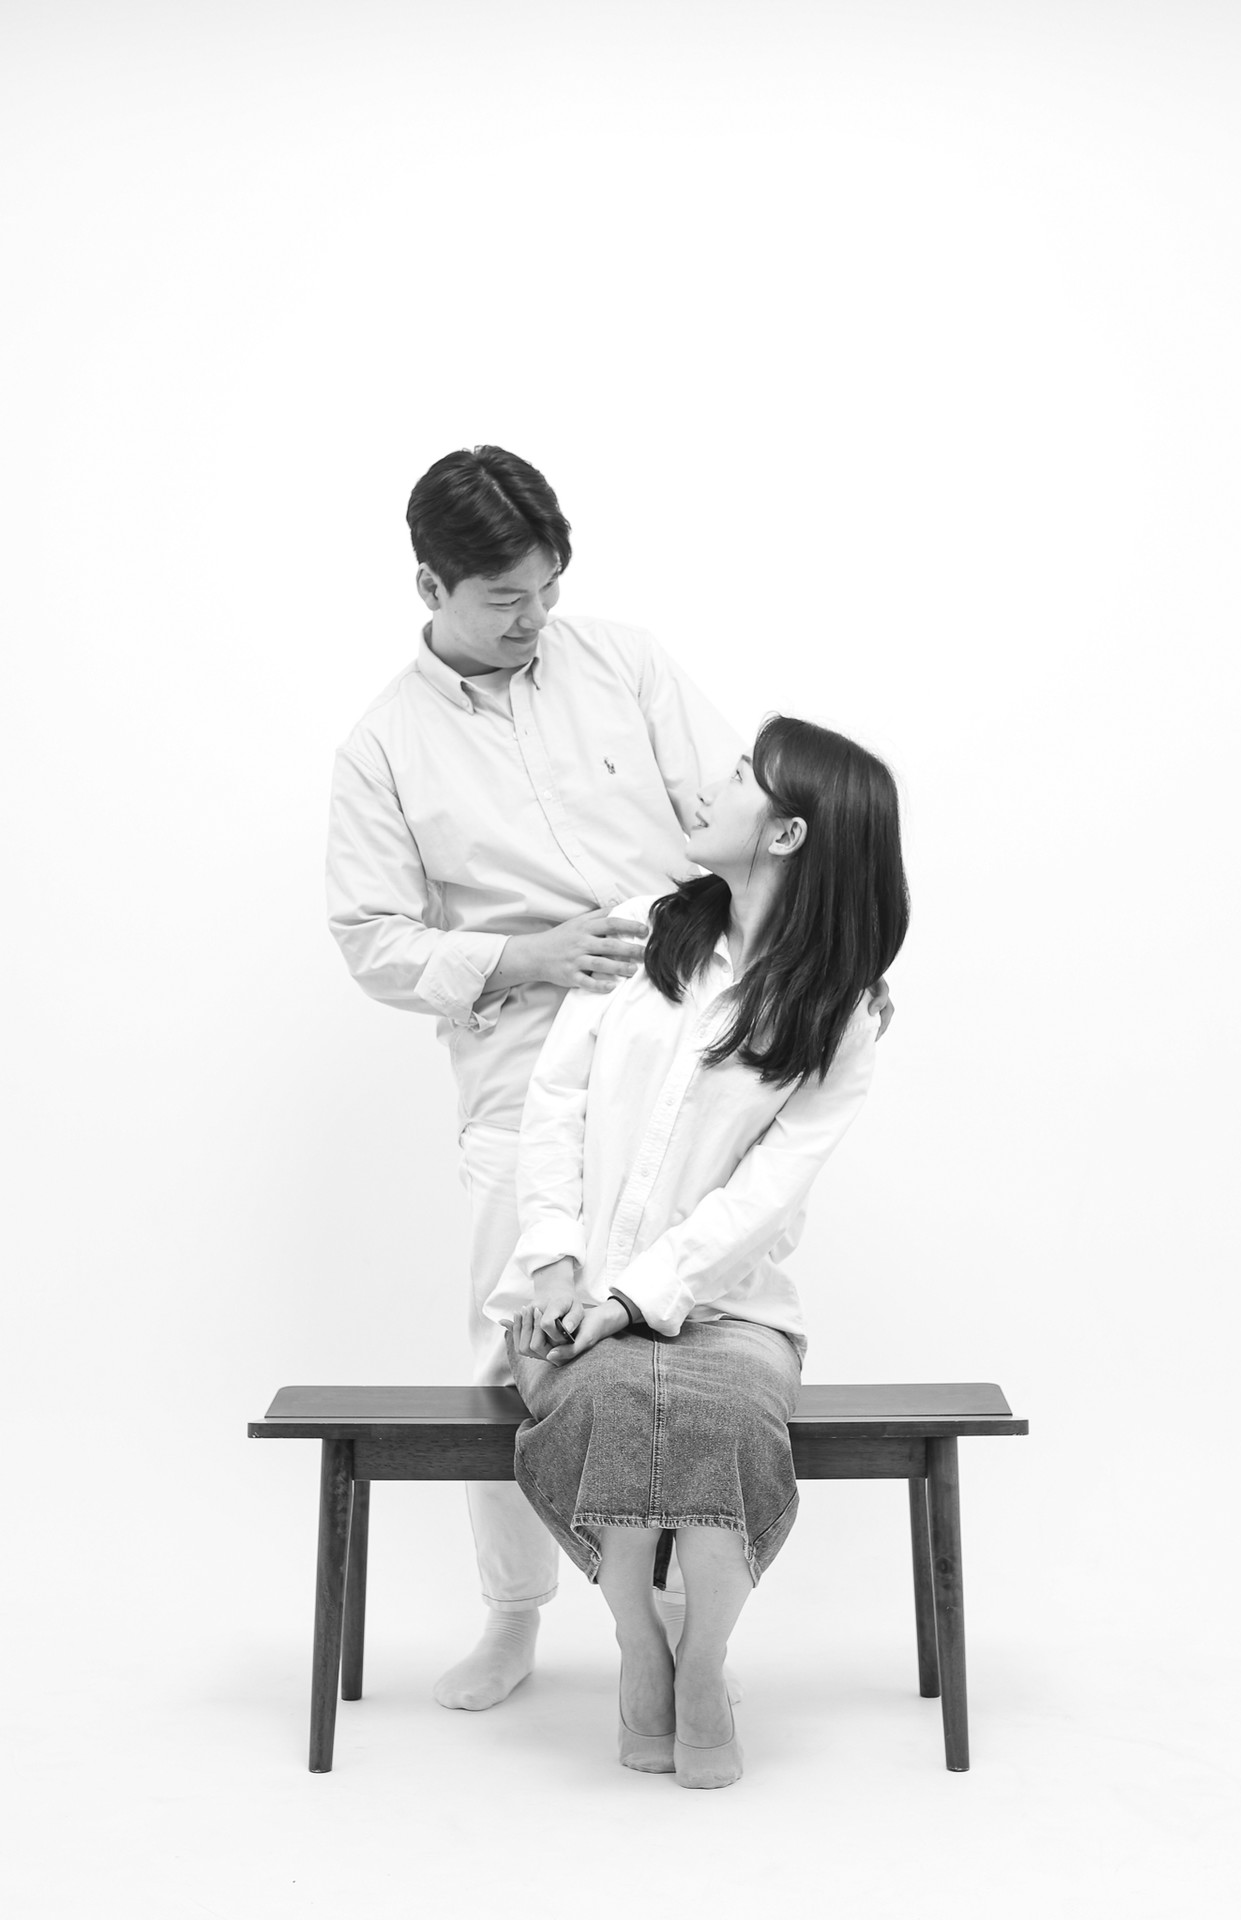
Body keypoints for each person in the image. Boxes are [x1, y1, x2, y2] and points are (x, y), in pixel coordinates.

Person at [327, 448, 893, 1712]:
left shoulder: (624, 664)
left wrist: (831, 963)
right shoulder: (382, 748)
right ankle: (513, 1616)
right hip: (521, 1065)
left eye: (548, 589)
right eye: (503, 600)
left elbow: (754, 814)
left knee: (677, 1329)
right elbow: (370, 938)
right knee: (511, 1349)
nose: (534, 618)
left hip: (691, 1026)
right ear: (429, 587)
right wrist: (521, 956)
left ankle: (682, 1628)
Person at [488, 714, 909, 1788]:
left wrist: (632, 1301)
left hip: (732, 1311)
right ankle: (641, 1646)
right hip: (568, 1292)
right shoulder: (639, 934)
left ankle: (704, 1659)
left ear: (786, 833)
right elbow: (553, 1107)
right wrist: (558, 1269)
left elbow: (763, 1199)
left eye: (741, 775)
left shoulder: (841, 1015)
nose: (713, 784)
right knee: (607, 1401)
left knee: (720, 1419)